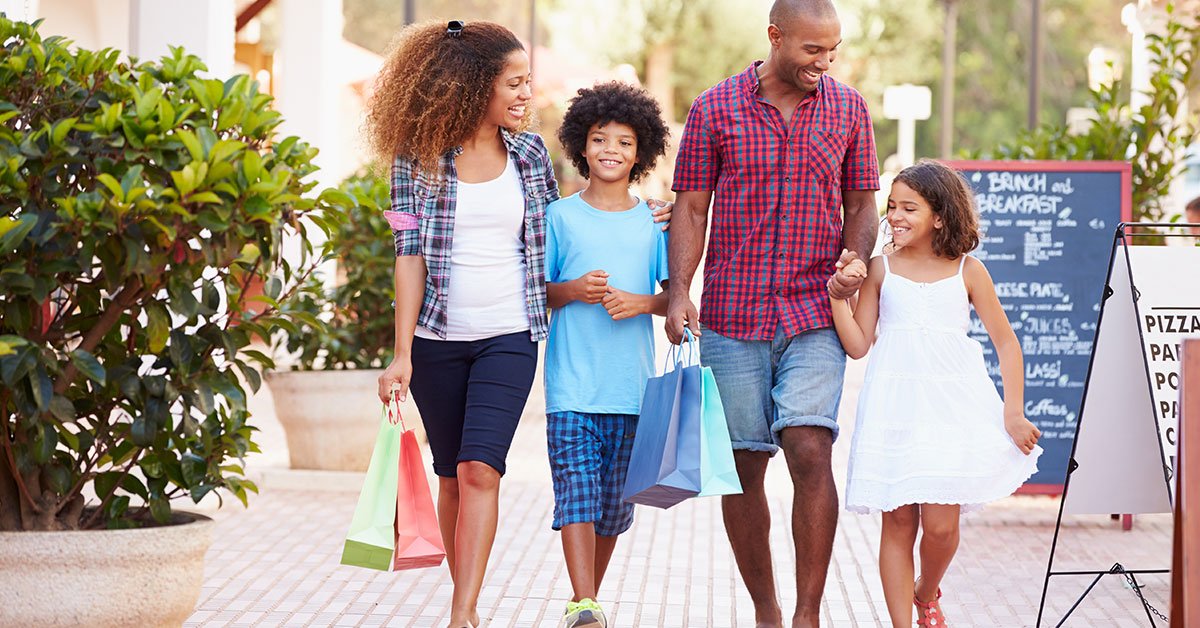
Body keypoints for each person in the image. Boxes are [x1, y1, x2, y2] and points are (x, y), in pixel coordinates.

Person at [367, 21, 670, 627]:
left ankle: (463, 611)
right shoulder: (416, 160)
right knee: (450, 475)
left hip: (510, 334)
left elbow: (573, 220)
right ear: (475, 86)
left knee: (482, 468)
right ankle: (467, 600)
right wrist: (401, 353)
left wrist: (646, 220)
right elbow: (408, 257)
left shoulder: (529, 154)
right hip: (435, 337)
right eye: (515, 82)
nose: (527, 93)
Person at [665, 0, 880, 625]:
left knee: (810, 447)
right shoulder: (715, 107)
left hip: (817, 307)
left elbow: (863, 203)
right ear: (775, 38)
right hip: (735, 313)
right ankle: (767, 611)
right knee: (744, 463)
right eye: (812, 49)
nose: (825, 61)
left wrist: (857, 257)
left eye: (832, 49)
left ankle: (808, 614)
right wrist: (680, 291)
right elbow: (691, 207)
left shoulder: (849, 108)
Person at [829, 160, 1042, 627]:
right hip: (894, 407)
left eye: (911, 207)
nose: (897, 216)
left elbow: (1006, 341)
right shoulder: (881, 269)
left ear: (940, 215)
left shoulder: (969, 269)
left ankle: (926, 591)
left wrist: (1013, 412)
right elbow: (859, 345)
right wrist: (836, 297)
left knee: (942, 527)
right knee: (899, 523)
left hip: (952, 409)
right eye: (892, 206)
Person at [542, 81, 672, 628]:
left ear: (639, 152)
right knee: (576, 492)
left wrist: (641, 302)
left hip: (631, 389)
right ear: (581, 146)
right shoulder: (559, 217)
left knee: (614, 509)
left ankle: (588, 595)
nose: (610, 150)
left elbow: (675, 299)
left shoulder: (655, 221)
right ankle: (583, 601)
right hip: (571, 386)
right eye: (599, 139)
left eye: (623, 141)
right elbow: (539, 292)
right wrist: (574, 290)